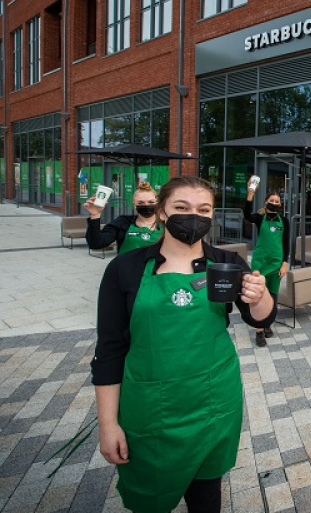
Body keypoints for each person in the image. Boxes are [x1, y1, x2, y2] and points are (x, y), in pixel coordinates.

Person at [91, 176, 276, 513]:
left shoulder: (226, 263)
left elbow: (259, 319)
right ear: (162, 211)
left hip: (213, 403)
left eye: (204, 209)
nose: (194, 216)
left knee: (207, 497)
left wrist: (260, 296)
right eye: (182, 207)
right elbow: (108, 352)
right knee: (149, 498)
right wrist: (108, 424)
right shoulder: (125, 268)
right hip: (150, 410)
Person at [245, 183, 290, 348]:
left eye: (277, 201)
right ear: (266, 202)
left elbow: (286, 244)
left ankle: (267, 324)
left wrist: (284, 264)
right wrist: (250, 193)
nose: (275, 203)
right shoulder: (259, 218)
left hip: (276, 263)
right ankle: (259, 331)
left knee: (273, 296)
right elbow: (246, 215)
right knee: (258, 296)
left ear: (280, 204)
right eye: (272, 200)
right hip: (260, 263)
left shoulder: (284, 221)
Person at [85, 180, 163, 254]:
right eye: (141, 203)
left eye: (151, 202)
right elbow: (96, 244)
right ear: (134, 205)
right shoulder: (123, 222)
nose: (146, 205)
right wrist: (95, 214)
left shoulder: (166, 224)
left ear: (157, 203)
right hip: (128, 264)